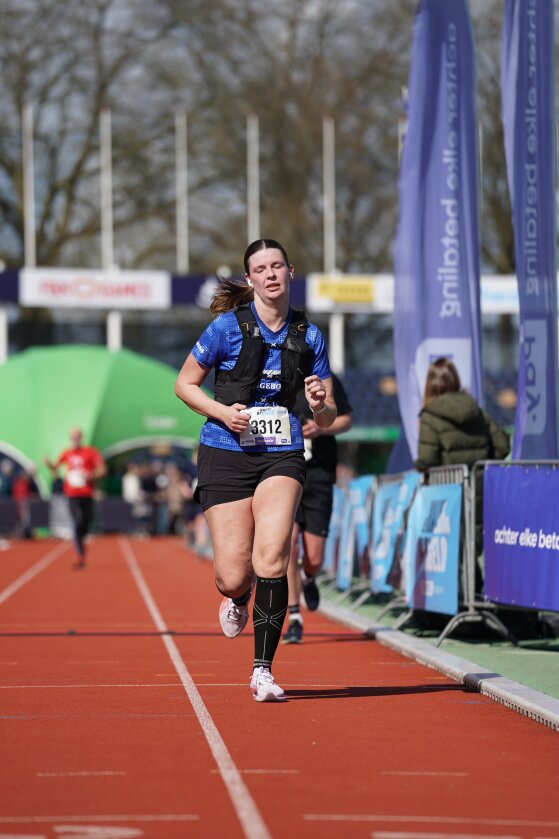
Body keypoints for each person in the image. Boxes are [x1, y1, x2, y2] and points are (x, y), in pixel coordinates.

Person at [175, 238, 336, 702]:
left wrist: (319, 405)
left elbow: (327, 416)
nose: (270, 274)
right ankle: (238, 597)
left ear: (290, 271)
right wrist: (223, 413)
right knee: (232, 575)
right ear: (250, 279)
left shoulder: (310, 336)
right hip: (225, 451)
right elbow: (184, 384)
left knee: (272, 555)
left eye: (277, 266)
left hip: (282, 452)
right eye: (260, 269)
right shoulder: (226, 328)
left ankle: (262, 670)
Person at [415, 357, 510, 592]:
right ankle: (476, 598)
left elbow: (428, 459)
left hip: (449, 492)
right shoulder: (476, 410)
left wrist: (420, 466)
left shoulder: (430, 415)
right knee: (472, 547)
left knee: (454, 550)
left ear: (430, 385)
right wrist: (481, 466)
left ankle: (461, 601)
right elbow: (502, 445)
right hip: (480, 490)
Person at [283, 372, 353, 643]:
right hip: (285, 473)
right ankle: (294, 617)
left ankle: (309, 577)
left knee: (313, 557)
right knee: (289, 545)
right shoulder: (276, 374)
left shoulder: (325, 378)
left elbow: (347, 420)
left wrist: (321, 428)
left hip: (319, 475)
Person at [44, 428, 106, 569]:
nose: (75, 440)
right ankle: (80, 555)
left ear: (81, 438)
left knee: (86, 522)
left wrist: (91, 475)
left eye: (77, 437)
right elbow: (55, 468)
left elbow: (102, 469)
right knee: (76, 523)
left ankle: (82, 537)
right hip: (72, 495)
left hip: (87, 494)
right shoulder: (66, 452)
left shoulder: (91, 452)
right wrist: (48, 464)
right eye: (73, 437)